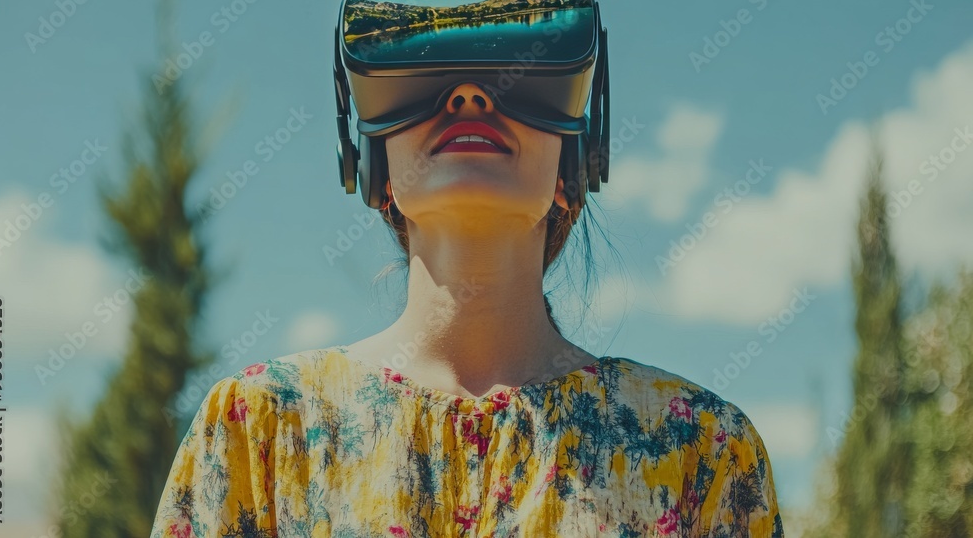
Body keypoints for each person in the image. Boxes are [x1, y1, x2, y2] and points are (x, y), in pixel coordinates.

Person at [150, 82, 784, 537]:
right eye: (424, 70)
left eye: (522, 74)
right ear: (377, 169)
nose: (470, 95)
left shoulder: (703, 454)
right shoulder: (257, 433)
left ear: (572, 168)